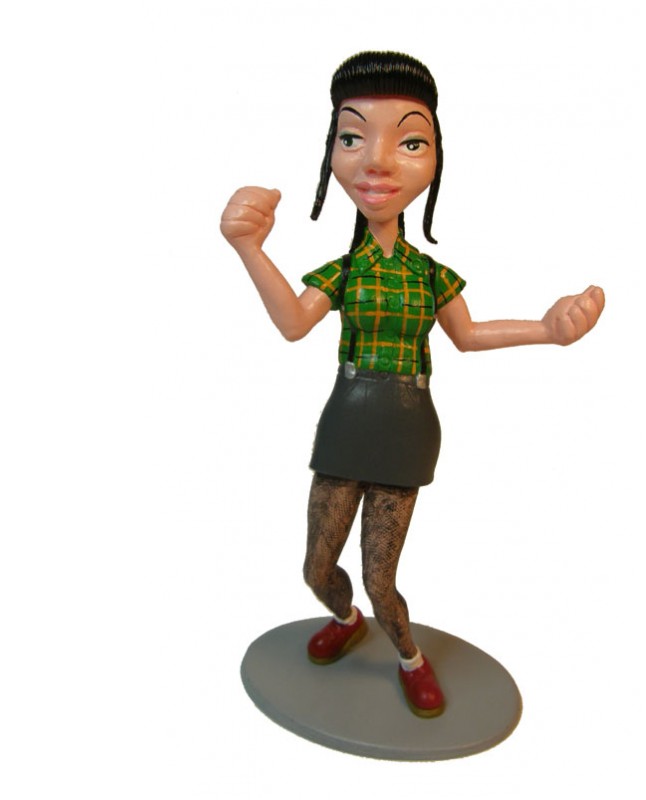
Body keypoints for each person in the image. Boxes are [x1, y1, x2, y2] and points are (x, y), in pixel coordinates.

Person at [220, 52, 605, 718]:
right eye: (352, 137)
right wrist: (250, 250)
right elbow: (293, 323)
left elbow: (468, 334)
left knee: (380, 576)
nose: (376, 162)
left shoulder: (430, 275)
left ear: (434, 158)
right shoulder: (343, 270)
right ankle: (344, 620)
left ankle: (408, 657)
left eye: (409, 141)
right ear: (332, 153)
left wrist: (547, 329)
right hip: (346, 419)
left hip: (406, 423)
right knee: (317, 567)